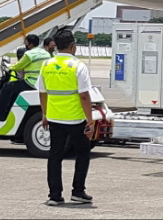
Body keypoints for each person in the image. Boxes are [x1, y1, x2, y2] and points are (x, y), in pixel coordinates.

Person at [37, 30, 95, 206]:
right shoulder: (78, 66)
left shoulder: (46, 64)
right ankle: (78, 192)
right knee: (83, 153)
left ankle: (54, 195)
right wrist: (90, 120)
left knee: (55, 156)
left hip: (54, 118)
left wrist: (44, 114)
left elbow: (42, 92)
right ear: (73, 46)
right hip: (75, 118)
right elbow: (84, 96)